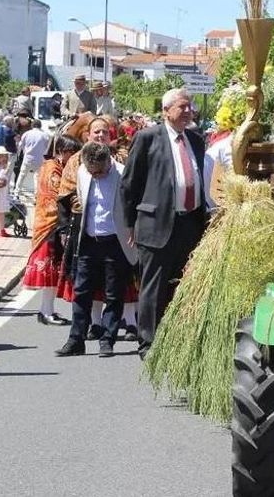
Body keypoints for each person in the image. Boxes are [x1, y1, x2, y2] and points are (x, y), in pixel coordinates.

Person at [122, 88, 209, 359]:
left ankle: (177, 340)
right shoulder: (148, 138)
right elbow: (129, 184)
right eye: (182, 107)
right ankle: (148, 343)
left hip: (189, 225)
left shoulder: (195, 139)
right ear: (166, 111)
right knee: (153, 287)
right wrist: (131, 225)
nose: (188, 111)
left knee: (182, 286)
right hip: (156, 225)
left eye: (189, 107)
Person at [55, 142, 137, 358]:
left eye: (100, 171)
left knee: (114, 293)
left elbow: (132, 204)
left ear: (109, 161)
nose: (97, 176)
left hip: (115, 241)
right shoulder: (82, 172)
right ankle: (76, 339)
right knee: (81, 292)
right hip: (89, 239)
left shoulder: (122, 174)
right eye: (93, 172)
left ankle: (107, 339)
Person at [24, 134, 82, 326]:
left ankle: (47, 309)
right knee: (49, 271)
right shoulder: (52, 169)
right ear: (62, 151)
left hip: (57, 225)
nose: (74, 157)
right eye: (71, 152)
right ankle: (46, 311)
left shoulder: (60, 167)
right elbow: (56, 197)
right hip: (50, 226)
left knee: (54, 271)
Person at [14, 118, 50, 202]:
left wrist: (20, 154)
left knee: (22, 175)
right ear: (40, 126)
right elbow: (46, 148)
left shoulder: (26, 134)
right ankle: (36, 197)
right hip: (39, 159)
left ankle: (16, 193)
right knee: (37, 177)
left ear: (32, 125)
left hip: (28, 158)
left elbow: (21, 146)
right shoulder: (45, 135)